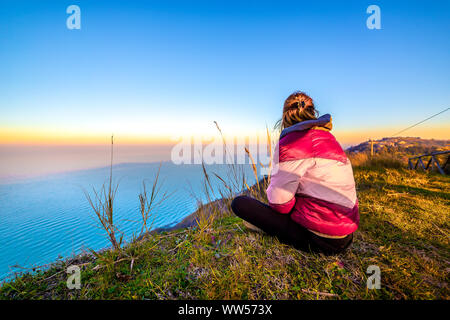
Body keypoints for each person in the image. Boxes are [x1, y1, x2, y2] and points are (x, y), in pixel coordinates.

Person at [231, 91, 359, 255]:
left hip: (321, 240)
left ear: (284, 117)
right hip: (346, 235)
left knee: (239, 204)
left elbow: (279, 203)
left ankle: (265, 228)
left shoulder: (290, 142)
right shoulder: (329, 139)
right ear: (313, 113)